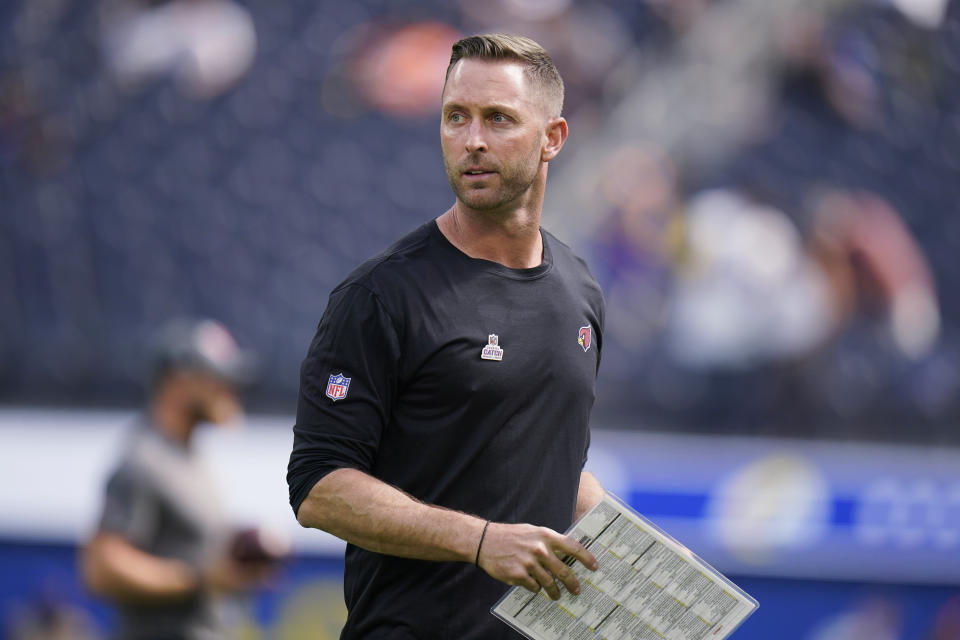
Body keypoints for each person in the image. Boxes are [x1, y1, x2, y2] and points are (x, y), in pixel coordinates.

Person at [287, 34, 606, 639]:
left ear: (552, 139)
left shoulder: (581, 292)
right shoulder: (381, 297)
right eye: (455, 116)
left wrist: (649, 559)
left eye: (499, 119)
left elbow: (553, 470)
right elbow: (318, 486)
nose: (473, 140)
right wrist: (479, 540)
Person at [82, 318, 275, 640]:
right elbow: (102, 567)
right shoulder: (143, 459)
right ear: (179, 380)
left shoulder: (188, 458)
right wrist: (201, 579)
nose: (231, 390)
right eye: (220, 378)